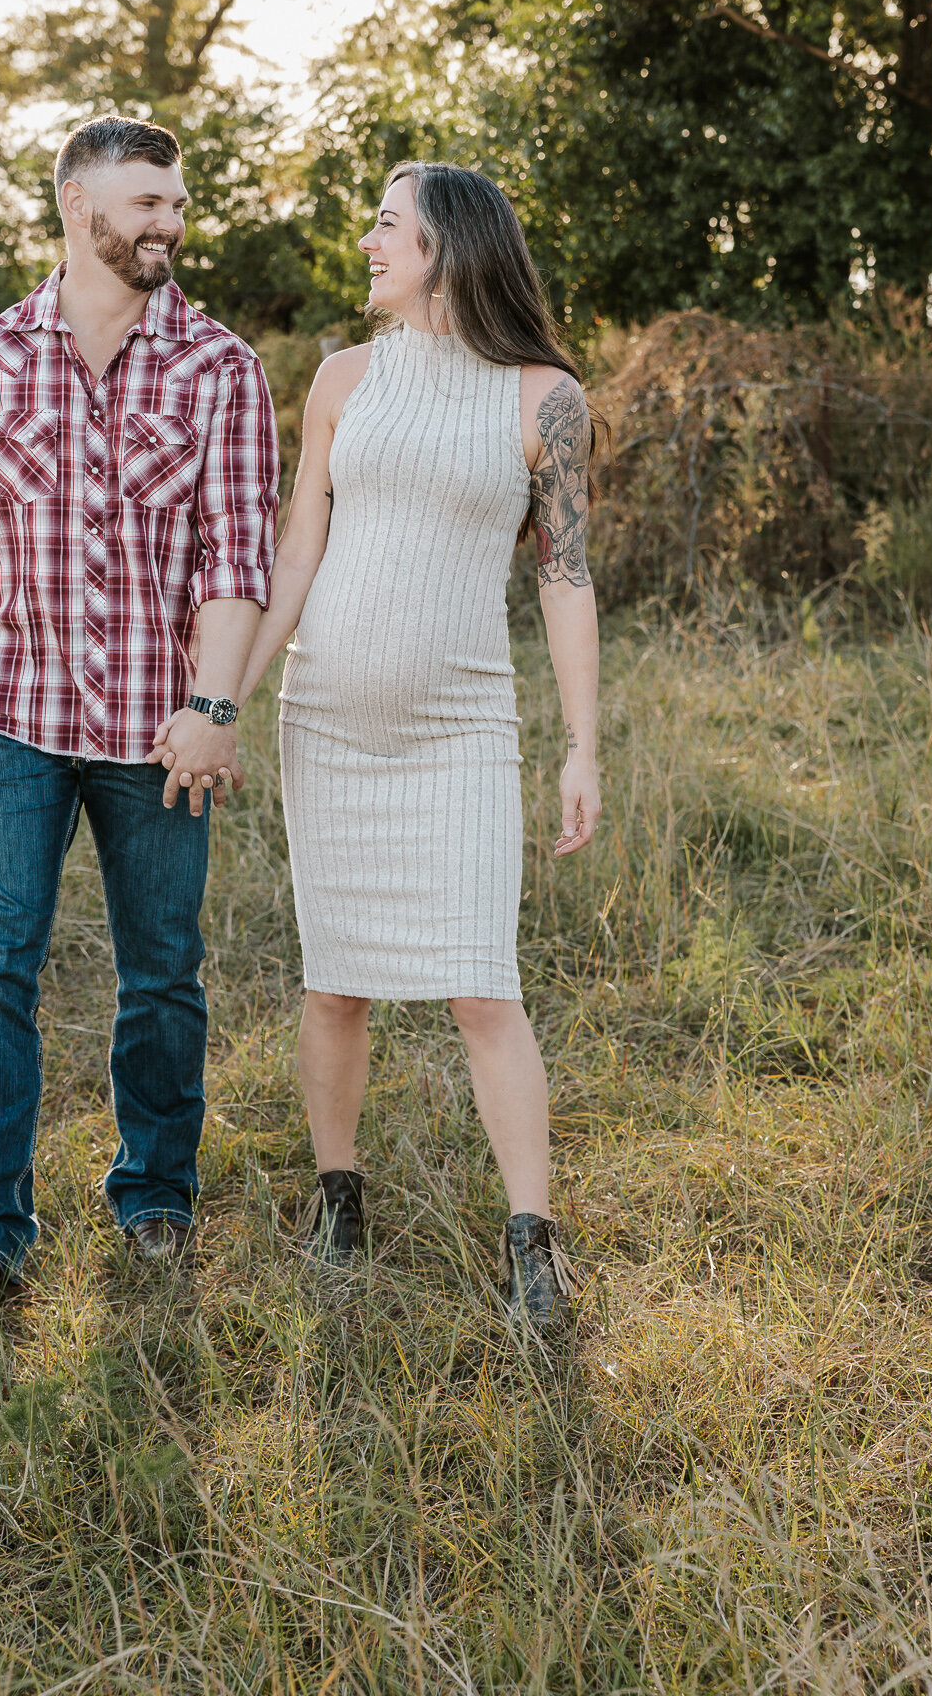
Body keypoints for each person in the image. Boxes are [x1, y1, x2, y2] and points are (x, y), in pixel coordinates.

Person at [0, 114, 279, 1308]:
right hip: (8, 716)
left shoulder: (222, 368)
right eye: (145, 201)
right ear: (76, 202)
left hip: (162, 726)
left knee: (164, 970)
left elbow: (234, 560)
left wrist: (213, 701)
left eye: (177, 204)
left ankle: (155, 1203)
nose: (169, 224)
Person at [237, 162, 602, 1326]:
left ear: (447, 244)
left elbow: (567, 578)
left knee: (481, 987)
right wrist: (222, 699)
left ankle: (532, 1242)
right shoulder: (341, 378)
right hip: (326, 717)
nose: (369, 242)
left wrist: (582, 745)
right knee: (334, 980)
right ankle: (337, 1201)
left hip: (461, 725)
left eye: (388, 225)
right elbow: (297, 555)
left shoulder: (545, 400)